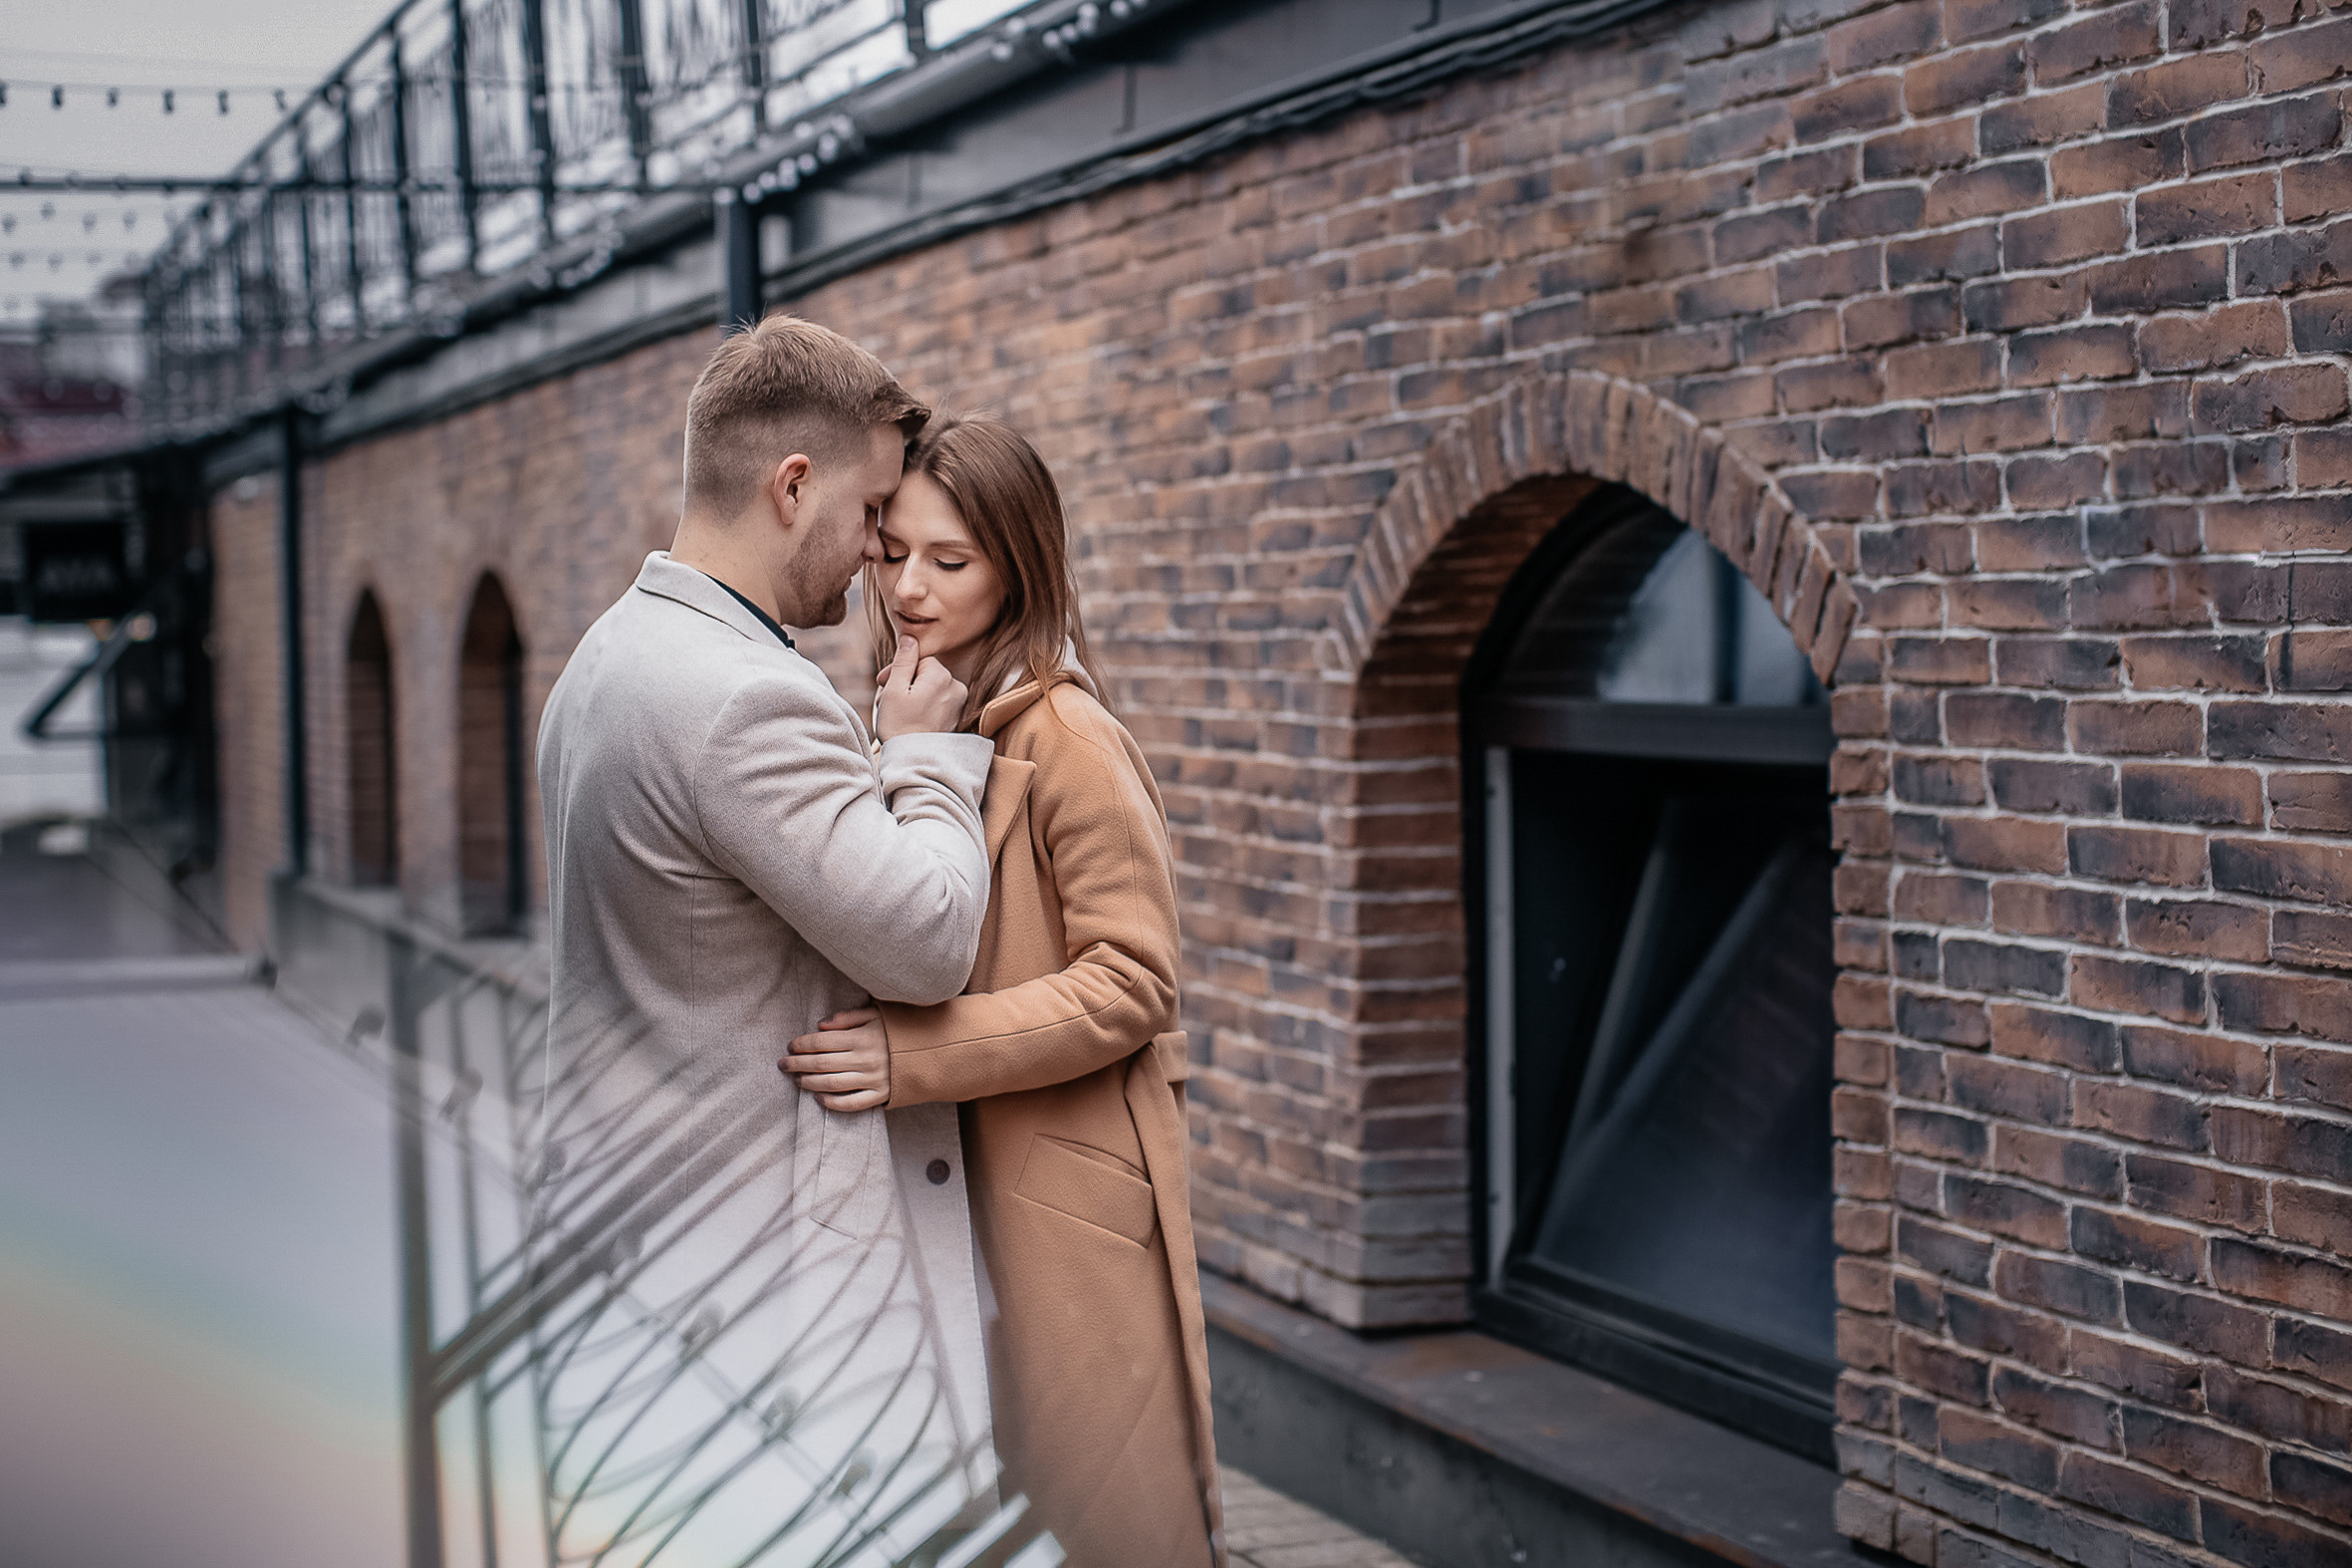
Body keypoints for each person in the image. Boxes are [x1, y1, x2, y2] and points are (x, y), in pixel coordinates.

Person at [534, 317, 1002, 1559]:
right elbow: (931, 936)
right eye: (869, 513)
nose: (876, 560)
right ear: (793, 486)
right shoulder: (747, 695)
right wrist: (926, 758)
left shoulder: (603, 657)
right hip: (755, 1283)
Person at [781, 415, 1224, 1568]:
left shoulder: (1072, 735)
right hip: (946, 1183)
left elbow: (1135, 981)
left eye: (953, 560)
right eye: (895, 553)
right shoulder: (919, 706)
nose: (910, 588)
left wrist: (913, 1056)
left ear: (1018, 565)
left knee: (1102, 1521)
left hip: (1062, 1198)